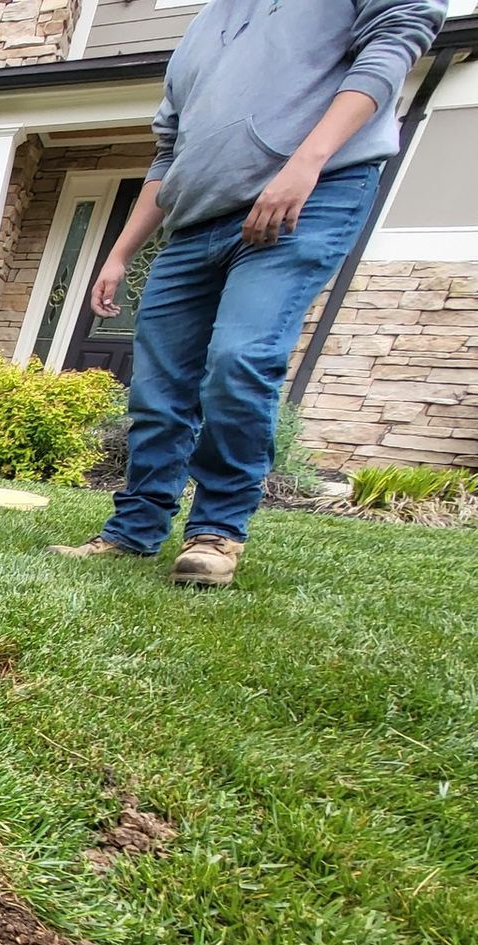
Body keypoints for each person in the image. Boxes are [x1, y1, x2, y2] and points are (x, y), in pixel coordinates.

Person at [53, 0, 446, 587]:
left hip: (308, 198)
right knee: (157, 388)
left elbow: (395, 43)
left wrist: (306, 162)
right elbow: (169, 151)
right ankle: (133, 530)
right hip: (193, 222)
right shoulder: (203, 27)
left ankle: (216, 531)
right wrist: (119, 252)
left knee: (241, 358)